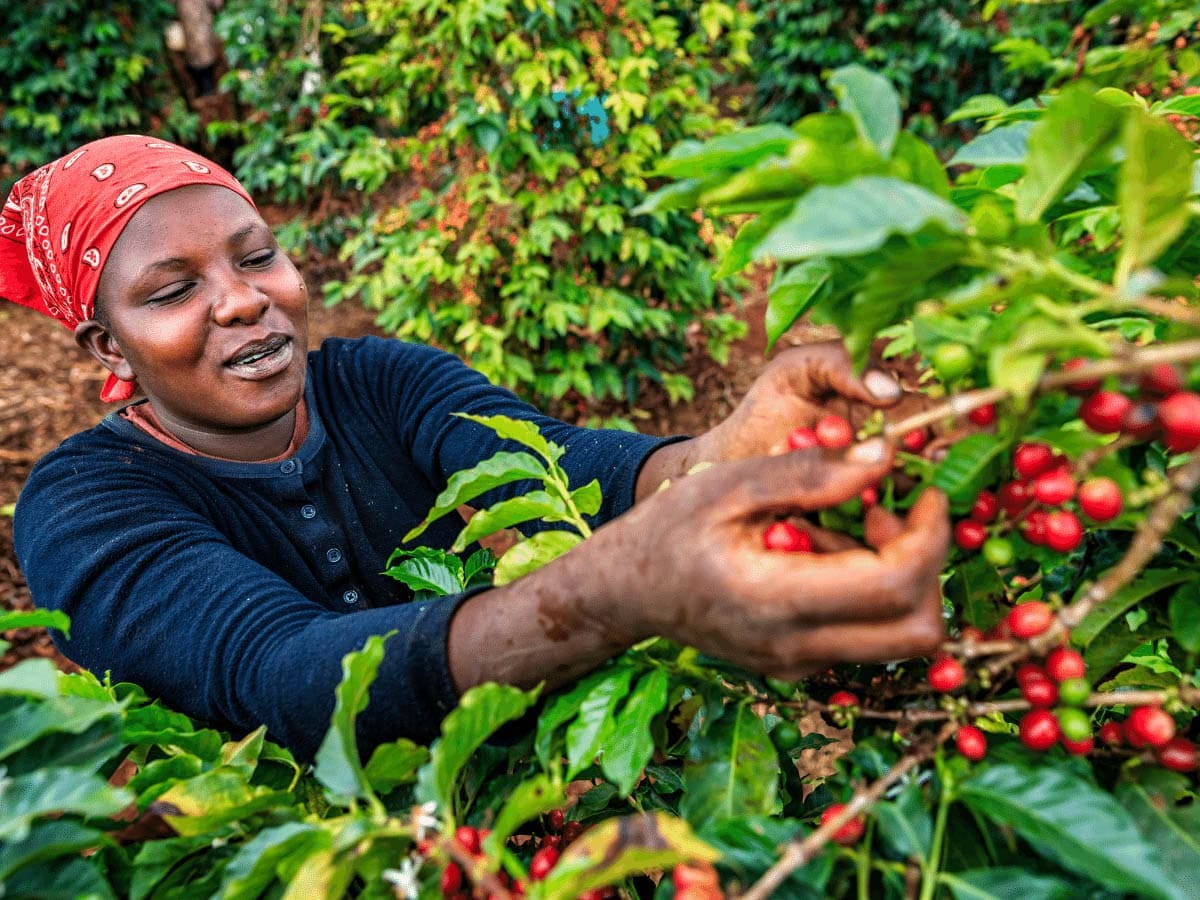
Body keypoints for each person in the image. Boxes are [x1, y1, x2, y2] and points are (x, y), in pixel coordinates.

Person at [1, 136, 950, 762]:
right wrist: (605, 594)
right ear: (106, 344)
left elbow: (568, 465)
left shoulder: (377, 381)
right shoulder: (86, 504)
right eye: (172, 291)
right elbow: (280, 673)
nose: (244, 299)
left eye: (256, 257)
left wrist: (731, 446)